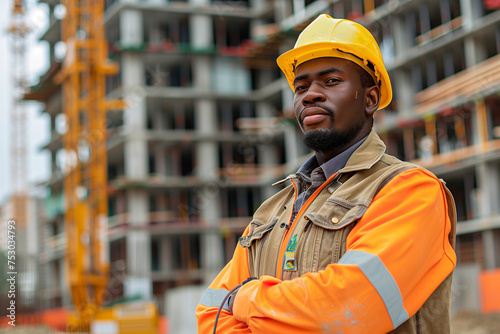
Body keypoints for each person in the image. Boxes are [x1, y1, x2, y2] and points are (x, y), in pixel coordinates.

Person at [196, 14, 457, 334]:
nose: (310, 95)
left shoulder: (407, 191)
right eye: (301, 86)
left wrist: (247, 298)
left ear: (370, 98)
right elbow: (213, 312)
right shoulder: (273, 211)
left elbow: (351, 307)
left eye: (331, 81)